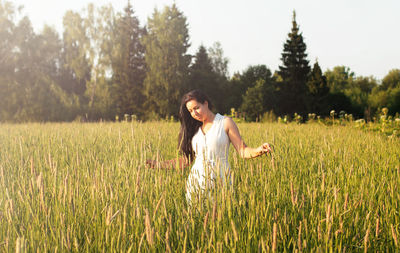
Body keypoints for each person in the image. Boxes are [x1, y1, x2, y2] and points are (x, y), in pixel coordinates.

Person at [148, 90, 272, 202]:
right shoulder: (194, 130)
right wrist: (159, 165)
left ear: (205, 103)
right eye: (190, 111)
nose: (194, 113)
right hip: (196, 184)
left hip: (221, 182)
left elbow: (243, 150)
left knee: (222, 221)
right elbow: (186, 161)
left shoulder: (225, 122)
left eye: (196, 108)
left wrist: (259, 150)